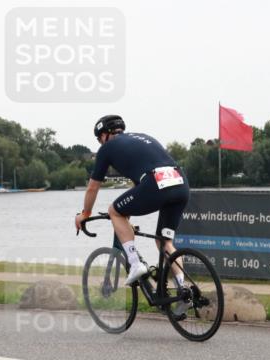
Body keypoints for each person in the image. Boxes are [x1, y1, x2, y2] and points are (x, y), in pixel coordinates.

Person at [74, 115, 189, 286]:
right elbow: (138, 189)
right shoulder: (142, 138)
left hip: (155, 183)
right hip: (180, 184)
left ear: (105, 134)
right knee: (165, 242)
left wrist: (86, 213)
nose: (101, 143)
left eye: (99, 139)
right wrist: (127, 218)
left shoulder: (107, 148)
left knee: (114, 211)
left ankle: (135, 264)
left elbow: (92, 187)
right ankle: (183, 289)